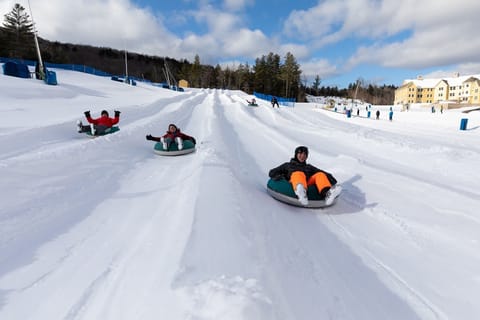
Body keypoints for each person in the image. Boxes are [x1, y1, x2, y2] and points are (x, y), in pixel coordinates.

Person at [269, 146, 341, 206]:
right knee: (298, 173)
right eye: (300, 153)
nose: (302, 156)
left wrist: (332, 180)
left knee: (320, 174)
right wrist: (279, 176)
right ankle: (300, 192)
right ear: (296, 154)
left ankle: (327, 193)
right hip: (293, 183)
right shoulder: (287, 165)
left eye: (304, 154)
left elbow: (323, 173)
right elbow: (272, 172)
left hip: (307, 184)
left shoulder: (309, 167)